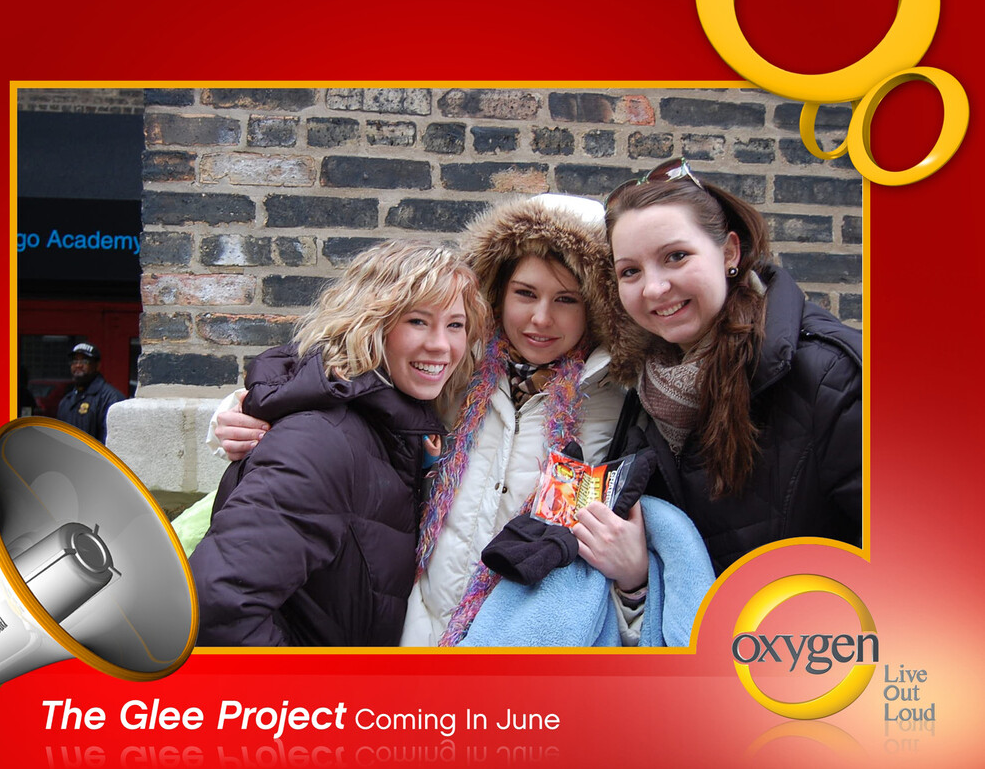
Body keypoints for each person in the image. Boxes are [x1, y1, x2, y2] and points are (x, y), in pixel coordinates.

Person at [209, 195, 651, 647]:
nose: (541, 317)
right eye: (525, 293)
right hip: (410, 643)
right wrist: (243, 412)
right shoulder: (456, 373)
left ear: (596, 307)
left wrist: (635, 578)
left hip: (520, 660)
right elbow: (341, 372)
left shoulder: (620, 405)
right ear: (498, 292)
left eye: (566, 299)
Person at [189, 241, 490, 647]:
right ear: (368, 323)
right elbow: (217, 605)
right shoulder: (321, 442)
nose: (441, 345)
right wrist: (312, 708)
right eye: (418, 321)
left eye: (455, 325)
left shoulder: (397, 430)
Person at [603, 158, 862, 575]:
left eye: (675, 256)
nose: (653, 288)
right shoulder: (642, 389)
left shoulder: (828, 374)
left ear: (729, 252)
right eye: (630, 271)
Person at [55, 342, 125, 443]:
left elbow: (113, 443)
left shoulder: (110, 398)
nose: (78, 365)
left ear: (97, 365)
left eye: (84, 361)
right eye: (75, 361)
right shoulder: (66, 401)